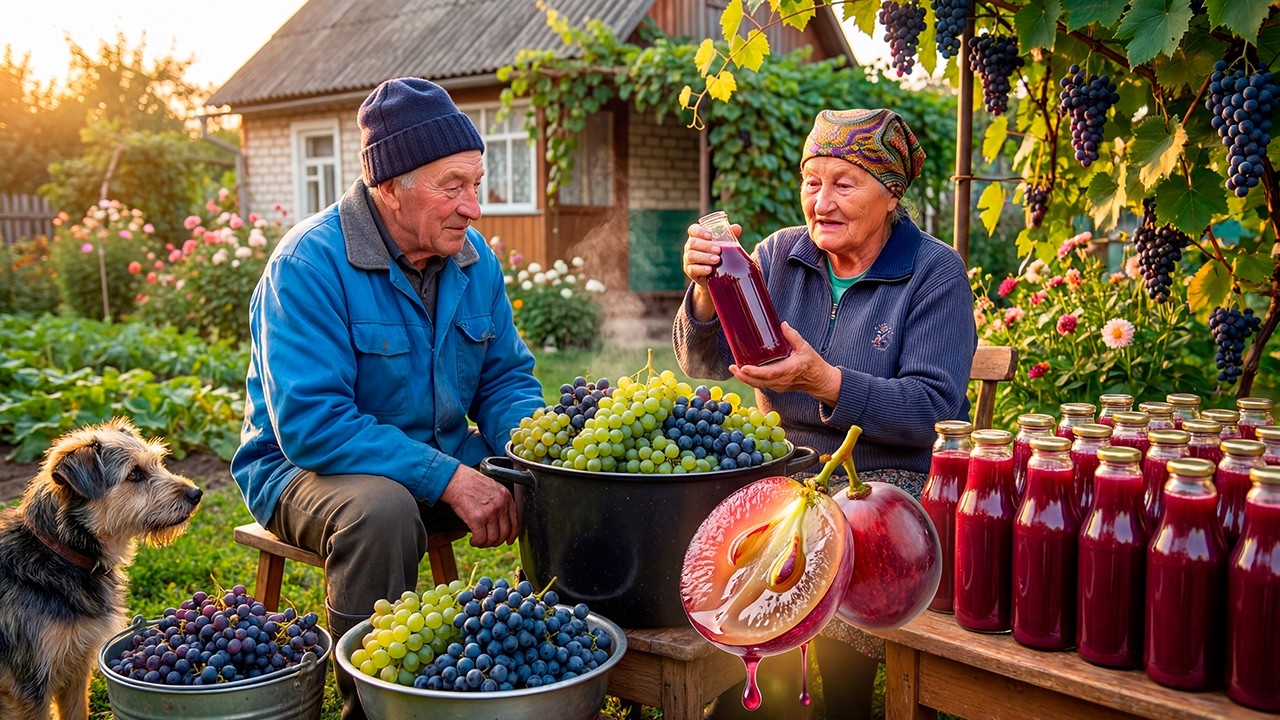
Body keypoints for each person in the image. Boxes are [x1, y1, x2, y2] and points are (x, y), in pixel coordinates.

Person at [231, 77, 545, 720]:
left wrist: (531, 451)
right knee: (382, 511)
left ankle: (540, 658)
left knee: (555, 477)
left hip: (433, 453)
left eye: (476, 184)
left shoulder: (472, 259)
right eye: (451, 186)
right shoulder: (309, 265)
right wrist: (450, 478)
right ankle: (370, 705)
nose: (474, 207)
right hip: (303, 468)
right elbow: (314, 426)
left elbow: (505, 379)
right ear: (390, 186)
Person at [674, 108, 977, 718]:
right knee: (726, 545)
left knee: (830, 548)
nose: (822, 202)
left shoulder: (933, 271)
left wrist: (827, 382)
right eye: (813, 182)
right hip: (788, 469)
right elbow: (703, 362)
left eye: (844, 183)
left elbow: (933, 410)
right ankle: (746, 693)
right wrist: (706, 294)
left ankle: (832, 700)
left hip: (887, 480)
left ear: (891, 194)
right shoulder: (780, 254)